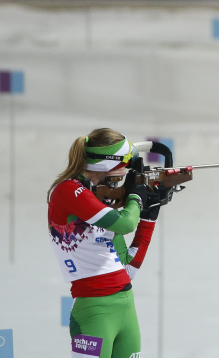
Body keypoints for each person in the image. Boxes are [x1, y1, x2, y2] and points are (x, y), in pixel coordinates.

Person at [47, 128, 162, 358]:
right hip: (94, 310)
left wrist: (148, 218)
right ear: (107, 163)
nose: (128, 168)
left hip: (125, 304)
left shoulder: (99, 201)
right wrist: (136, 197)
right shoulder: (68, 191)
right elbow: (127, 223)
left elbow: (127, 269)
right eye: (125, 162)